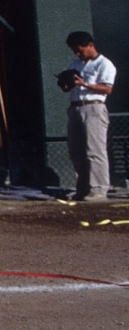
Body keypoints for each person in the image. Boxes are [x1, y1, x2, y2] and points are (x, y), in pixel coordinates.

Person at [59, 31, 115, 202]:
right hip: (75, 106)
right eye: (74, 50)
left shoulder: (104, 64)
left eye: (80, 50)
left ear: (90, 45)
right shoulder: (75, 64)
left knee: (94, 150)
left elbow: (107, 89)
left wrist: (85, 84)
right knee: (76, 150)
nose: (77, 53)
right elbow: (70, 86)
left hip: (94, 106)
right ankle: (83, 188)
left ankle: (98, 189)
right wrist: (66, 83)